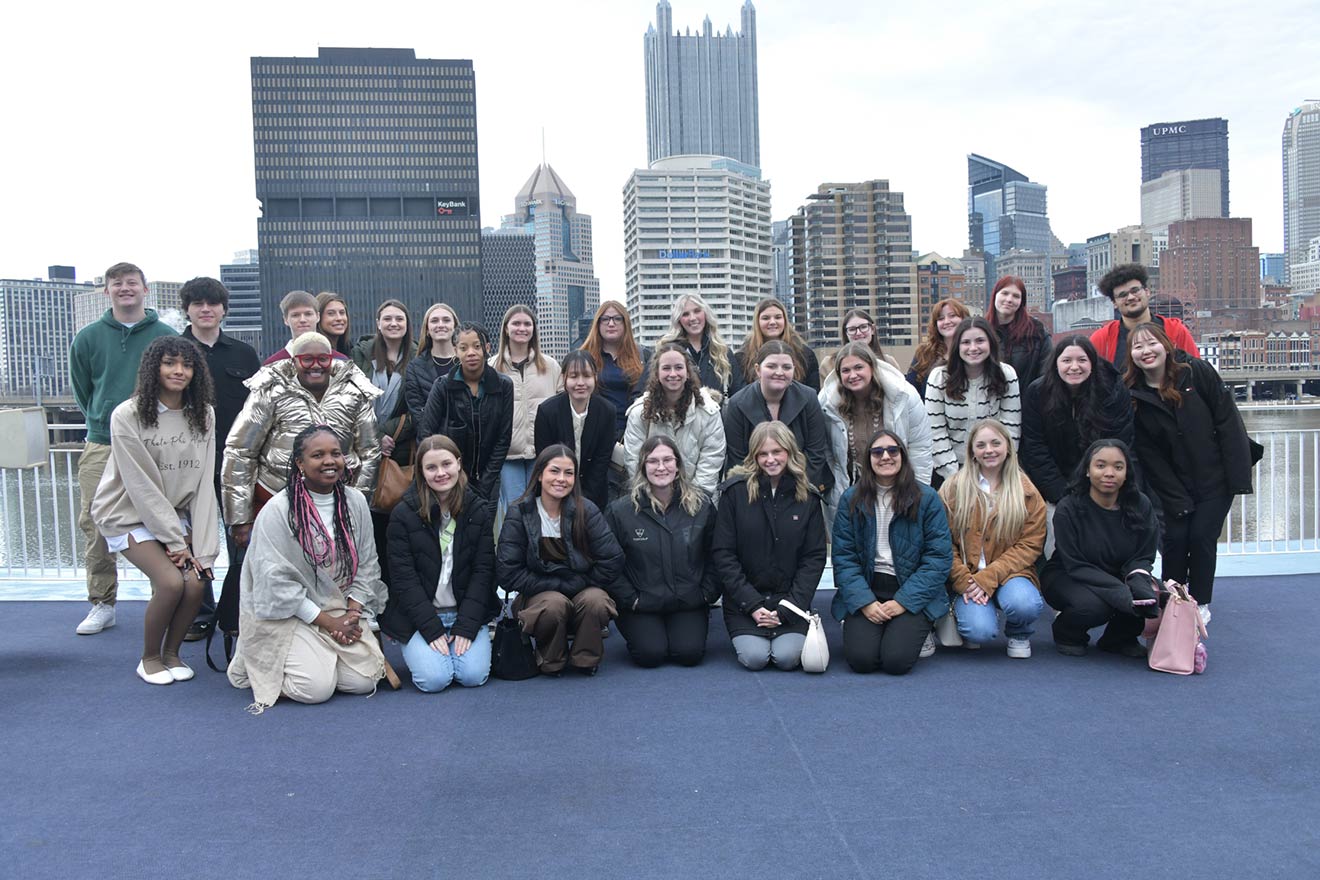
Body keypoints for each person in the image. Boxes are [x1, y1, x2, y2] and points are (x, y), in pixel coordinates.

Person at [227, 426, 388, 710]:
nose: (329, 461)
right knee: (315, 690)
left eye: (336, 453)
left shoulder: (356, 501)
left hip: (340, 607)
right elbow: (275, 585)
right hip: (289, 613)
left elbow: (368, 564)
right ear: (300, 463)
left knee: (364, 681)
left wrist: (351, 614)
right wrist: (329, 623)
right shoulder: (278, 511)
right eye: (318, 455)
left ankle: (322, 653)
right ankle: (274, 663)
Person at [91, 337, 218, 684]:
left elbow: (204, 483)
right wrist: (176, 542)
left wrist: (204, 550)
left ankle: (172, 654)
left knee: (195, 584)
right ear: (153, 369)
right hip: (126, 512)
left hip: (173, 515)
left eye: (187, 365)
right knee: (170, 583)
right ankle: (149, 658)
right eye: (170, 363)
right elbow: (141, 486)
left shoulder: (203, 414)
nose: (179, 371)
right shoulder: (128, 415)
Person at [70, 261, 178, 635]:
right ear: (107, 291)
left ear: (145, 289)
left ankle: (161, 597)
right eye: (117, 284)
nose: (125, 289)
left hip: (153, 441)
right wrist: (104, 420)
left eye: (132, 283)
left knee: (160, 519)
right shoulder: (88, 337)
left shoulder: (164, 335)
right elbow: (84, 390)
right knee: (94, 522)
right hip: (102, 442)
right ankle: (102, 602)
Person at [1125, 322, 1256, 618]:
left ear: (1166, 345)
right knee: (1174, 540)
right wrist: (1174, 496)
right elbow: (1149, 454)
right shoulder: (1133, 395)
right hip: (1174, 484)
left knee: (1201, 538)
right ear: (1131, 355)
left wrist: (1237, 478)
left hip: (1215, 478)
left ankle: (1200, 602)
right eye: (1138, 346)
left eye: (1152, 343)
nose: (1146, 351)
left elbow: (1228, 422)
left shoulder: (1196, 373)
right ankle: (1175, 600)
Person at [223, 332, 382, 550]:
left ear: (331, 359)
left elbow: (370, 452)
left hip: (337, 500)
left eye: (322, 359)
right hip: (276, 495)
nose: (315, 366)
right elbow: (240, 451)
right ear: (294, 360)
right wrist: (240, 517)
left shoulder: (354, 391)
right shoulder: (270, 390)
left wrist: (356, 504)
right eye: (307, 359)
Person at [178, 276, 261, 642]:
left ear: (224, 310)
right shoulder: (174, 351)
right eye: (198, 303)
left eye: (212, 304)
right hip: (187, 465)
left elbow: (259, 411)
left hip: (235, 466)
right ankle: (199, 613)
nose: (206, 309)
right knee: (193, 543)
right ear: (188, 310)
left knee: (241, 539)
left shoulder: (243, 354)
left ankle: (239, 610)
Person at [830, 430, 953, 675]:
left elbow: (938, 559)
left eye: (892, 450)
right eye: (877, 452)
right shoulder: (850, 499)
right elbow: (844, 558)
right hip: (868, 586)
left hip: (909, 586)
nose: (885, 456)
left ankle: (921, 627)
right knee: (861, 661)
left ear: (903, 456)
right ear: (868, 460)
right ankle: (872, 628)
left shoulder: (927, 498)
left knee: (896, 662)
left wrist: (903, 602)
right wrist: (864, 602)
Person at [381, 435, 498, 692]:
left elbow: (483, 572)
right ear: (421, 472)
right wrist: (431, 630)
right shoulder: (403, 515)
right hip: (420, 616)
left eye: (446, 464)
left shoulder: (477, 509)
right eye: (431, 467)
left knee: (472, 676)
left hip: (464, 611)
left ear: (458, 463)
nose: (441, 473)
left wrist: (467, 626)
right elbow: (404, 580)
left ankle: (462, 647)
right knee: (434, 680)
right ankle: (435, 651)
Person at [496, 445, 624, 676]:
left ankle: (586, 658)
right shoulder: (520, 512)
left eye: (568, 473)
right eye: (554, 471)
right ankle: (550, 660)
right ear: (540, 474)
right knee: (554, 604)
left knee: (596, 600)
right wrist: (559, 587)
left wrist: (582, 583)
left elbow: (612, 559)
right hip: (539, 595)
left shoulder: (587, 510)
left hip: (582, 587)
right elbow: (508, 571)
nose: (561, 479)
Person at [605, 435, 719, 667]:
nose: (661, 467)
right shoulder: (621, 511)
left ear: (678, 466)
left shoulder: (701, 506)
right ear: (642, 467)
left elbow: (717, 555)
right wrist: (631, 599)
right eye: (653, 461)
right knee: (650, 655)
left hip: (688, 600)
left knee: (689, 654)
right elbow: (608, 563)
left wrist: (706, 594)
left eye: (668, 460)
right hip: (642, 603)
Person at [1041, 439, 1160, 658]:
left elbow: (1143, 557)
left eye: (1118, 467)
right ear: (1087, 470)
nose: (1109, 473)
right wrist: (1120, 592)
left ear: (1127, 473)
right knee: (1094, 606)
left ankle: (1118, 639)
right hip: (1069, 575)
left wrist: (1137, 587)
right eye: (1100, 465)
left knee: (1150, 595)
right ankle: (1067, 633)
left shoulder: (1141, 504)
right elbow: (1075, 564)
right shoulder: (1069, 508)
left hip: (1120, 575)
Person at [938, 419, 1046, 657]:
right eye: (981, 445)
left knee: (1024, 604)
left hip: (1011, 574)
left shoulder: (1027, 491)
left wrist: (989, 578)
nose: (989, 450)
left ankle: (1019, 633)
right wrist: (964, 580)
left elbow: (1030, 545)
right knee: (979, 632)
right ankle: (974, 613)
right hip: (968, 576)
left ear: (1008, 446)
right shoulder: (952, 488)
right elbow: (942, 543)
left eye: (995, 443)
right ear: (972, 452)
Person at [819, 342, 932, 522]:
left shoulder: (903, 395)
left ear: (872, 367)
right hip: (852, 488)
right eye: (846, 370)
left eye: (858, 367)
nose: (853, 375)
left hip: (898, 485)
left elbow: (920, 448)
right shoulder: (827, 403)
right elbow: (826, 452)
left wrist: (917, 492)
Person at [1020, 335, 1135, 509]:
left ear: (1092, 364)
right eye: (1066, 360)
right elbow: (1035, 447)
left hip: (1103, 488)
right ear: (1056, 364)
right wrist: (1061, 494)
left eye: (1082, 360)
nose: (1074, 367)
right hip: (1053, 489)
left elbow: (1119, 442)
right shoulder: (1038, 393)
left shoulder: (1112, 391)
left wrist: (1094, 491)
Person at [417, 323, 513, 505]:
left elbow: (503, 438)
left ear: (487, 348)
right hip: (448, 478)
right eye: (463, 348)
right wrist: (448, 473)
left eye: (477, 346)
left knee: (483, 530)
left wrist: (486, 483)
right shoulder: (442, 386)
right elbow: (426, 434)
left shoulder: (503, 386)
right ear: (455, 351)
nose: (471, 353)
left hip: (489, 478)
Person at [723, 340, 832, 496]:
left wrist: (790, 490)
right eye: (771, 366)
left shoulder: (809, 398)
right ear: (758, 369)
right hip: (754, 490)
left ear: (794, 369)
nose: (779, 372)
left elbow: (816, 454)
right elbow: (737, 459)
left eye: (786, 367)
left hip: (800, 487)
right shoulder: (737, 403)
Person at [925, 317, 1021, 481]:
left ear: (990, 343)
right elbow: (935, 431)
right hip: (951, 471)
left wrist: (996, 470)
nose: (973, 348)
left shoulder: (1006, 375)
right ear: (957, 346)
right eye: (966, 342)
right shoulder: (939, 378)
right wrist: (956, 477)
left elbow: (1011, 428)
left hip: (996, 467)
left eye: (980, 341)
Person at [622, 344, 726, 495]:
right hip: (650, 498)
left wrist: (695, 502)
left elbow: (711, 461)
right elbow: (634, 461)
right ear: (656, 373)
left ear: (688, 372)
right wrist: (651, 499)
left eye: (678, 367)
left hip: (698, 498)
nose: (673, 374)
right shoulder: (639, 412)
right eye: (666, 368)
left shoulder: (709, 411)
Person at [490, 305, 561, 513]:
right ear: (506, 328)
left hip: (542, 452)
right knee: (514, 510)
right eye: (516, 323)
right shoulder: (492, 367)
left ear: (534, 329)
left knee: (542, 510)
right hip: (507, 455)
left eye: (527, 324)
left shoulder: (550, 366)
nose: (522, 328)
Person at [534, 351, 617, 512]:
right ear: (564, 378)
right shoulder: (547, 411)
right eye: (573, 376)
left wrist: (584, 503)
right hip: (554, 491)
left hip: (594, 495)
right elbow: (545, 458)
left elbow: (602, 460)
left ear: (595, 377)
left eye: (586, 376)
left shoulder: (607, 411)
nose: (580, 382)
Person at [350, 299, 415, 469]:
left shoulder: (418, 358)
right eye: (387, 319)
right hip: (360, 445)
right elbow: (351, 401)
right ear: (378, 323)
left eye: (399, 319)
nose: (393, 323)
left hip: (400, 448)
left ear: (407, 324)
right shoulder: (359, 355)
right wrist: (376, 436)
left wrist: (387, 433)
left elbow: (419, 408)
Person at [1091, 263, 1199, 364]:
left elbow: (1198, 373)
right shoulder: (1102, 339)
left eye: (1135, 290)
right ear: (1114, 303)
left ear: (1147, 292)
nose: (1131, 297)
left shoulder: (1176, 331)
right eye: (1123, 295)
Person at [581, 300, 651, 441]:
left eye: (617, 319)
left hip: (636, 431)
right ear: (598, 324)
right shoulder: (584, 357)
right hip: (597, 432)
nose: (611, 324)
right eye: (605, 319)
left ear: (625, 323)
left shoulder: (644, 355)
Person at [730, 297, 819, 394]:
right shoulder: (742, 357)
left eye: (778, 317)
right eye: (766, 318)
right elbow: (740, 394)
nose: (772, 322)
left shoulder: (804, 354)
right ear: (757, 322)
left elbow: (813, 392)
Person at [657, 293, 733, 402]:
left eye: (697, 311)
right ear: (679, 320)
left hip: (717, 417)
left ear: (706, 314)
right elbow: (645, 390)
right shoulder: (665, 352)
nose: (692, 318)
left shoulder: (723, 352)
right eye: (685, 314)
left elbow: (739, 394)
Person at [987, 276, 1052, 390]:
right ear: (995, 295)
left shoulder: (1037, 333)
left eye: (1016, 296)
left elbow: (1047, 373)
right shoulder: (981, 332)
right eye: (1005, 293)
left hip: (1027, 403)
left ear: (1022, 302)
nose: (1009, 299)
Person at [404, 302, 460, 429]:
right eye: (434, 321)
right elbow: (417, 412)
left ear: (455, 327)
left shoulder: (467, 362)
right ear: (427, 330)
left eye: (446, 320)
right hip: (432, 443)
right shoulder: (415, 367)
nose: (440, 325)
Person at [908, 298, 971, 400]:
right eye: (941, 318)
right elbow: (910, 390)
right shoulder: (924, 353)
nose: (947, 321)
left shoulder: (973, 351)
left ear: (964, 319)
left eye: (952, 316)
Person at [262, 291, 348, 365]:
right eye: (295, 315)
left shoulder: (340, 361)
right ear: (286, 320)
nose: (302, 320)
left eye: (308, 314)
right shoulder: (272, 364)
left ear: (318, 317)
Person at [824, 308, 902, 374]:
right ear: (846, 333)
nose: (858, 333)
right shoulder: (829, 364)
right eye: (852, 329)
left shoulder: (889, 362)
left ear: (872, 329)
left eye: (863, 327)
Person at [316, 291, 353, 356]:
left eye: (342, 313)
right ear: (318, 317)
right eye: (331, 313)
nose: (339, 318)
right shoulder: (314, 351)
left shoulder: (350, 350)